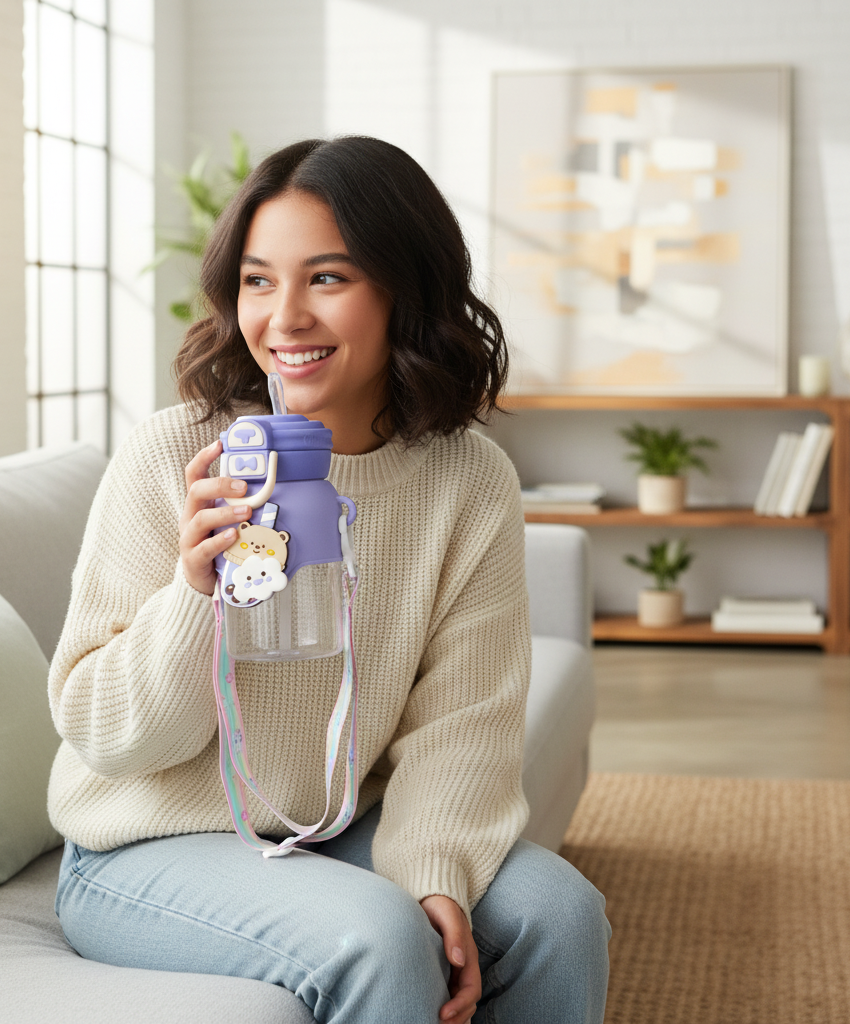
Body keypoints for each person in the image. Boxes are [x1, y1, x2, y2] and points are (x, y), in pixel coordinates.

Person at [48, 136, 610, 1024]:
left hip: (339, 827)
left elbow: (463, 719)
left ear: (404, 289)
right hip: (146, 844)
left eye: (329, 278)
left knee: (557, 917)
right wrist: (197, 593)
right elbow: (106, 737)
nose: (285, 318)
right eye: (259, 280)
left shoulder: (466, 480)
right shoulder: (172, 456)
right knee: (378, 941)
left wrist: (434, 871)